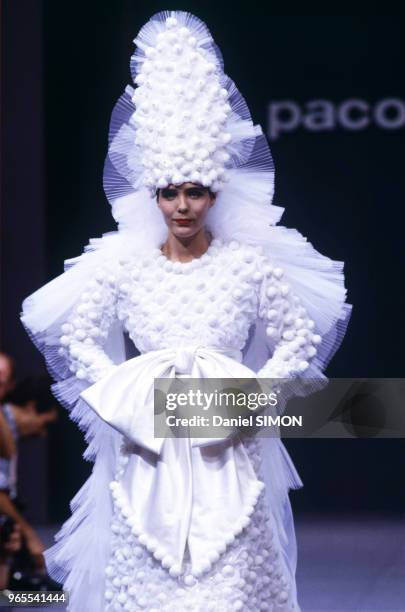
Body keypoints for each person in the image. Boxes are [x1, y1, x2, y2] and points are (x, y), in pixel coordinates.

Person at [21, 11, 352, 611]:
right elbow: (78, 341)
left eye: (194, 190)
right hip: (146, 452)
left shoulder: (247, 265)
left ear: (215, 193)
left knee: (229, 594)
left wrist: (247, 400)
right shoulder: (123, 267)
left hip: (228, 451)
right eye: (169, 191)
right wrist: (127, 395)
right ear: (153, 194)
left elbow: (301, 341)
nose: (181, 205)